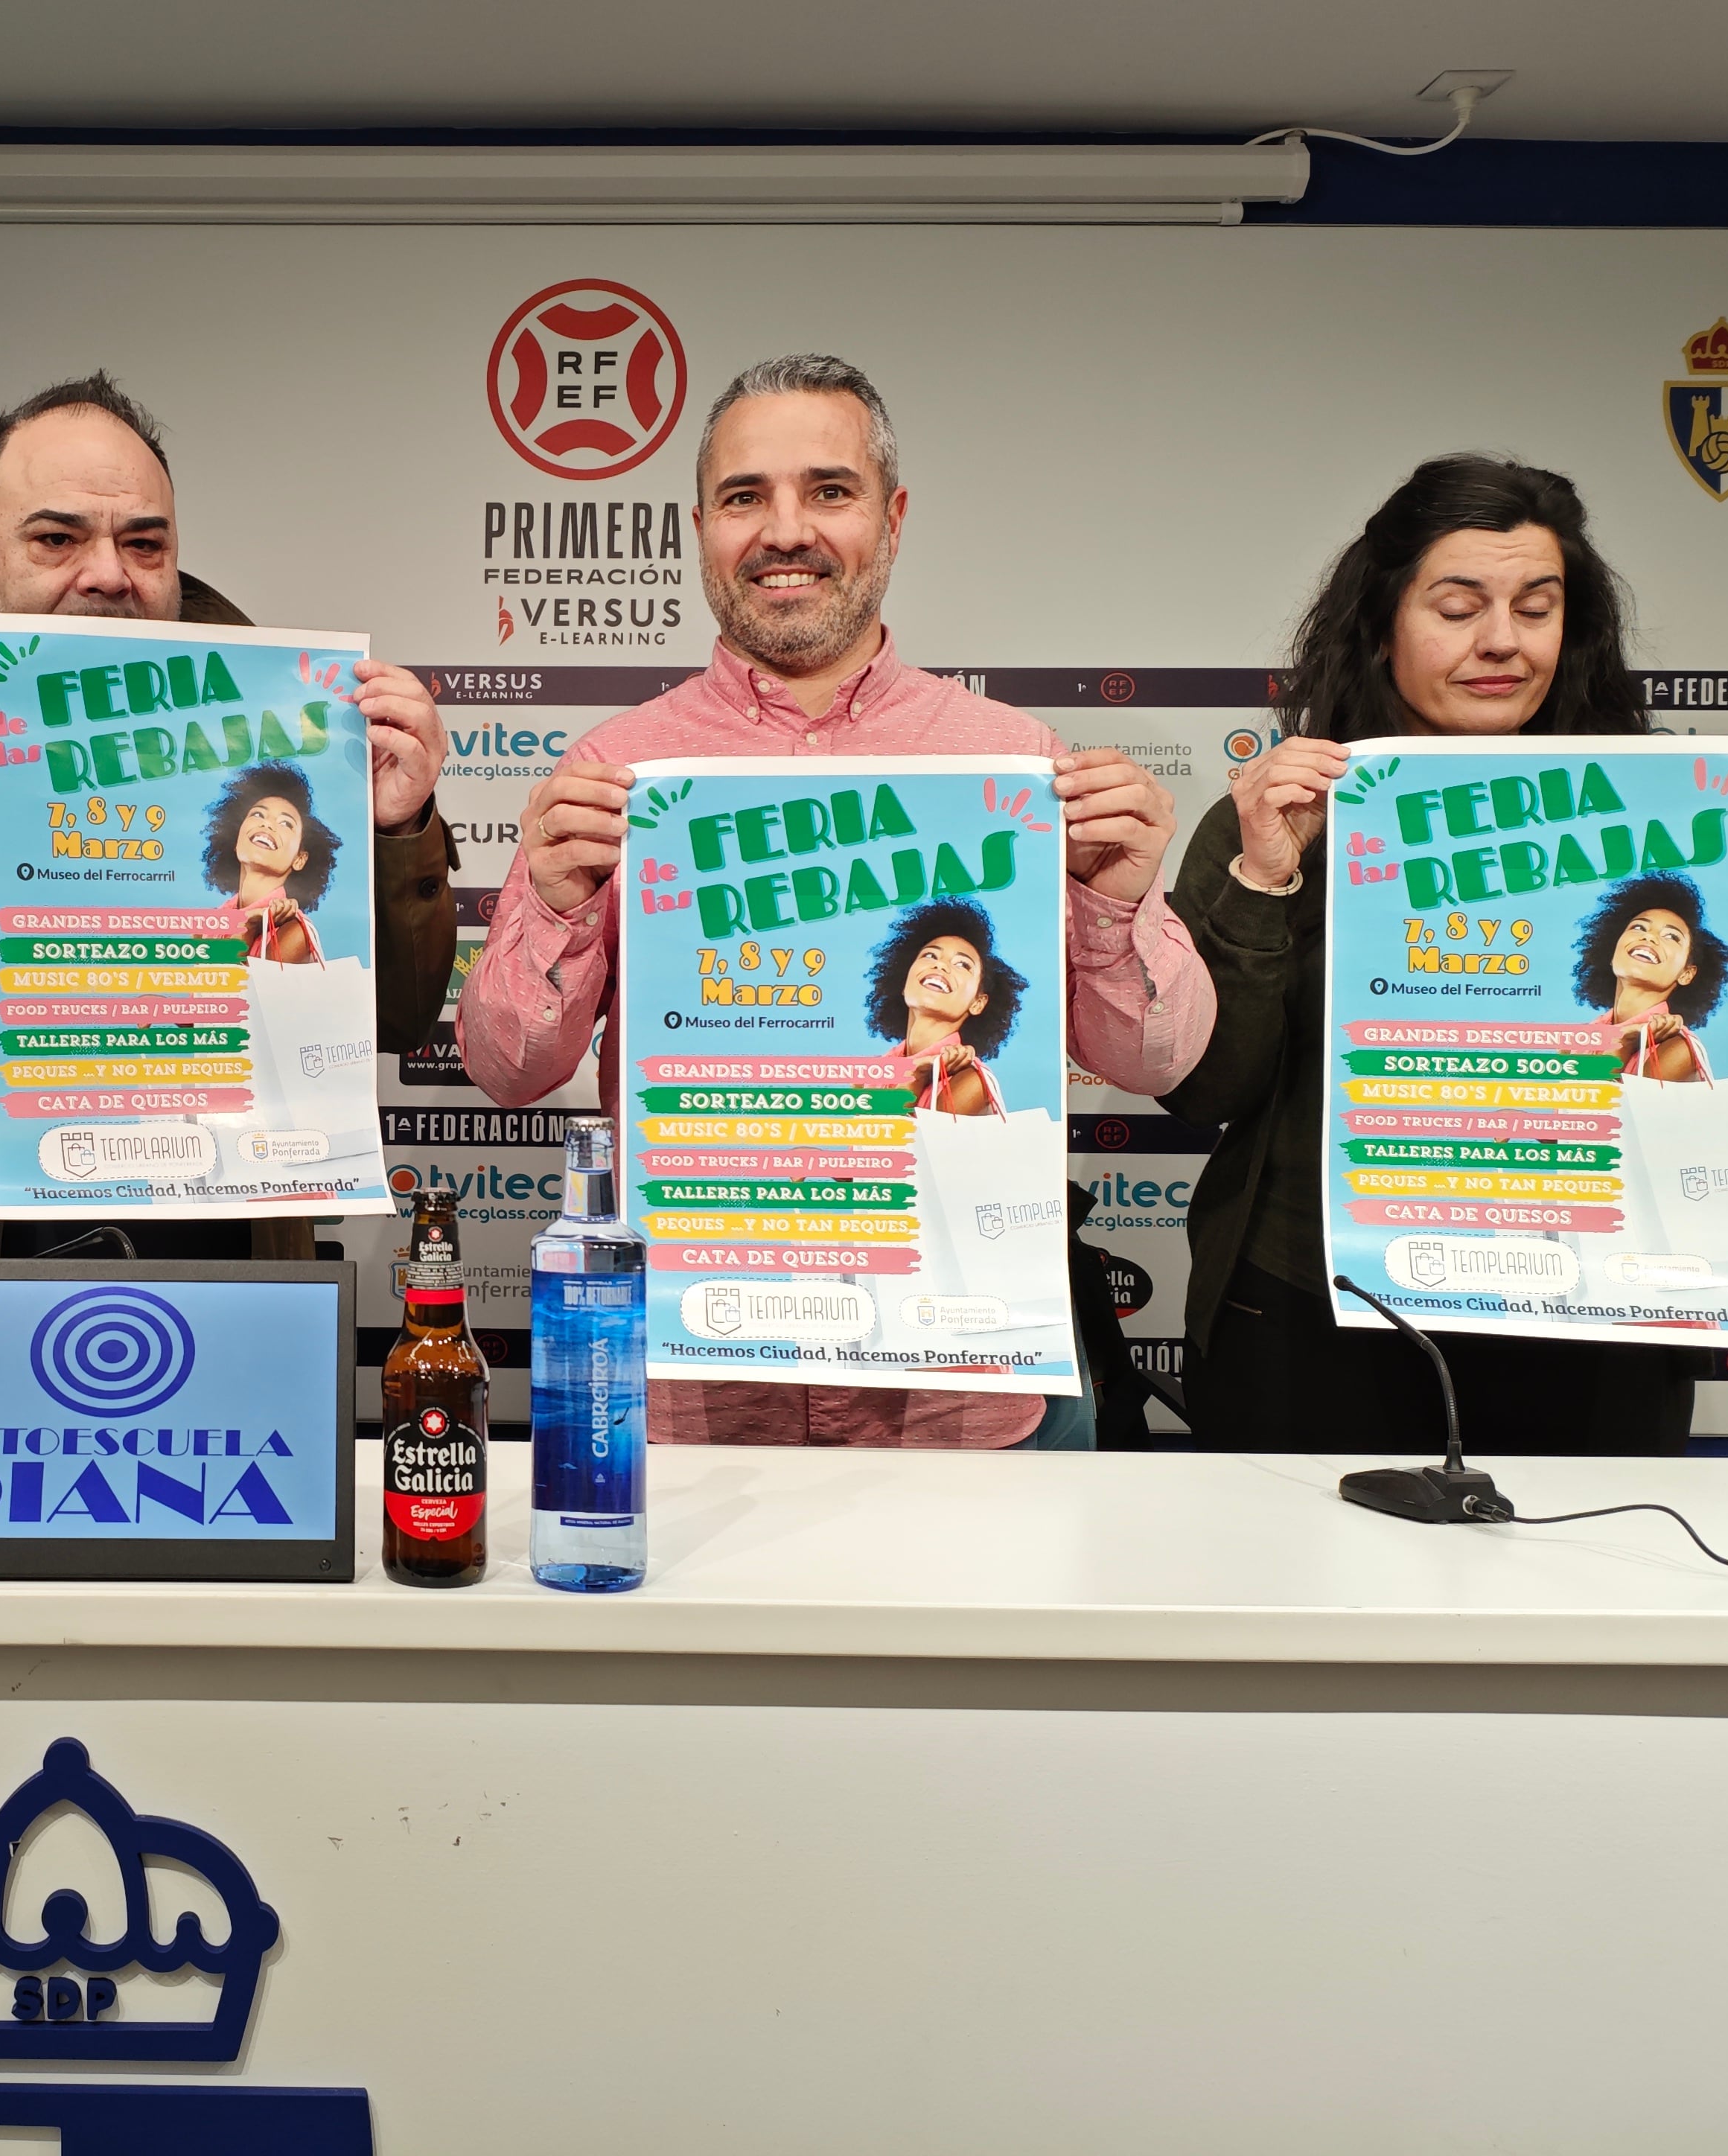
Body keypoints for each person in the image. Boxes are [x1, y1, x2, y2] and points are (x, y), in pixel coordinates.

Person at [458, 352, 1213, 1450]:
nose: (785, 530)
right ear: (701, 528)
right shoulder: (617, 774)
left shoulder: (1015, 768)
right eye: (743, 497)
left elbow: (1162, 1060)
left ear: (892, 519)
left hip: (960, 1393)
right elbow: (506, 1070)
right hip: (698, 1389)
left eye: (829, 490)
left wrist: (1114, 907)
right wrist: (561, 909)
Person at [0, 371, 459, 1434]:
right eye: (57, 539)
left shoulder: (292, 739)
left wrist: (394, 836)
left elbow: (394, 1022)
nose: (108, 576)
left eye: (144, 543)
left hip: (223, 1296)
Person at [1166, 454, 1728, 1455]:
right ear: (1381, 625)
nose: (1501, 641)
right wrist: (1266, 877)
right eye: (1458, 607)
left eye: (1536, 608)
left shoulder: (1675, 827)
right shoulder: (1278, 820)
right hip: (1314, 1316)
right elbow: (1204, 1091)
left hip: (1597, 1321)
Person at [867, 899, 1022, 1116]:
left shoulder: (972, 1081)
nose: (940, 965)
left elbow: (901, 1145)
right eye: (930, 955)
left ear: (978, 1003)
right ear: (903, 983)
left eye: (962, 964)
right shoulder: (870, 1076)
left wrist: (917, 1077)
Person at [1572, 872, 1727, 1082]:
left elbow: (1607, 1111)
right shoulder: (1577, 1042)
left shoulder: (1679, 1049)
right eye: (1638, 927)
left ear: (1686, 973)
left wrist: (1624, 1045)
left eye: (1671, 936)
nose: (1649, 937)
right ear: (1611, 951)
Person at [206, 760, 337, 963]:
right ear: (236, 840)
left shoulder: (295, 932)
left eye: (286, 823)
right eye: (258, 814)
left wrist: (249, 928)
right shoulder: (209, 928)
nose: (267, 824)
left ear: (300, 859)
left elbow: (235, 992)